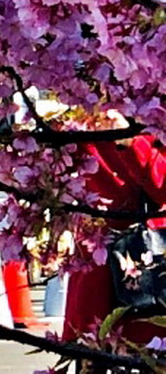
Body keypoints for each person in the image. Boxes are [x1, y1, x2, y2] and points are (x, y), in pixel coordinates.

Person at [63, 133, 166, 358]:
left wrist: (132, 144)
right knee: (94, 351)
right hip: (99, 267)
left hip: (150, 262)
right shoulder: (83, 114)